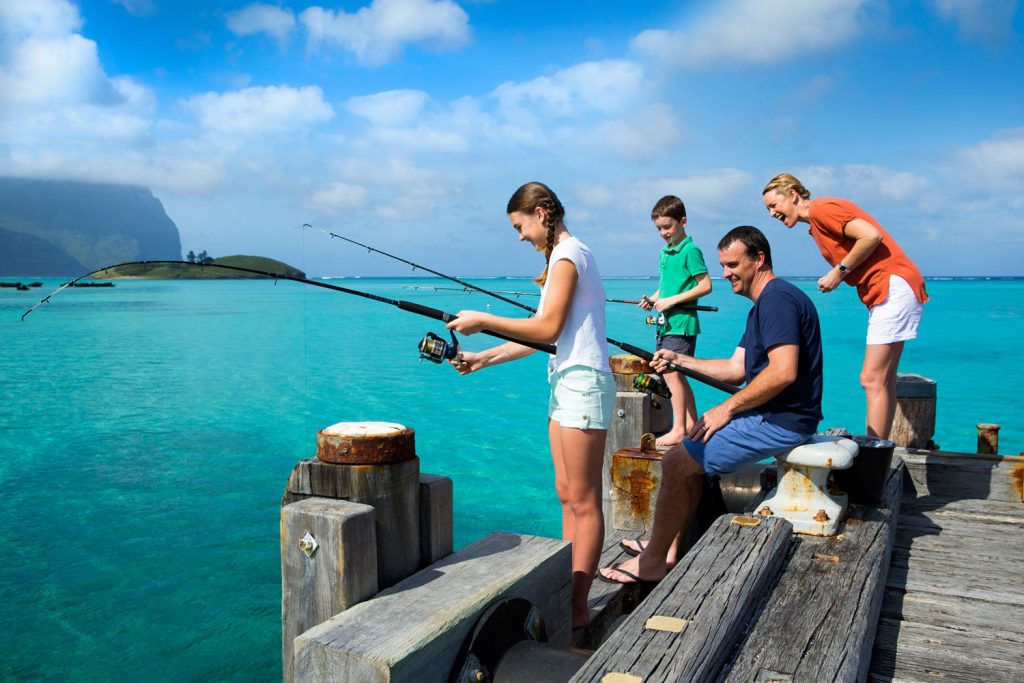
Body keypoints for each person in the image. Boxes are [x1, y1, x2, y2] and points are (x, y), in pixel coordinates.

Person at [599, 226, 823, 585]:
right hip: (776, 415)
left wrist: (727, 409)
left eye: (733, 264)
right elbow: (735, 371)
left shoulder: (776, 301)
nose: (725, 273)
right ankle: (668, 550)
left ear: (759, 259)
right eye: (722, 265)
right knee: (687, 457)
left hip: (782, 420)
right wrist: (679, 360)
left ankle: (653, 561)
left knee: (675, 462)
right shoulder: (764, 306)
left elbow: (783, 373)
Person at [446, 181, 615, 629]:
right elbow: (545, 334)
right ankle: (566, 588)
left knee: (584, 500)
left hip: (583, 384)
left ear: (541, 213)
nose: (520, 236)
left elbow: (545, 327)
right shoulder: (561, 258)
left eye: (520, 226)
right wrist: (486, 357)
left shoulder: (568, 255)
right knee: (566, 495)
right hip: (566, 381)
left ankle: (578, 606)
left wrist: (482, 321)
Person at [762, 173, 927, 439]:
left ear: (793, 195)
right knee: (882, 379)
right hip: (890, 289)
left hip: (892, 285)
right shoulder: (815, 224)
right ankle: (881, 448)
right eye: (768, 209)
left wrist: (838, 273)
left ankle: (874, 452)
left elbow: (871, 236)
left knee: (871, 378)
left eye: (774, 205)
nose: (772, 213)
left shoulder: (821, 209)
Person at [638, 195, 712, 447]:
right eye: (659, 228)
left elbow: (705, 285)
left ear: (683, 222)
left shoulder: (691, 250)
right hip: (665, 323)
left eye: (667, 227)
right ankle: (691, 424)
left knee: (671, 375)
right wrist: (654, 298)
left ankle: (679, 429)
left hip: (682, 324)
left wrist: (672, 301)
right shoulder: (664, 252)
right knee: (676, 376)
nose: (663, 232)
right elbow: (665, 288)